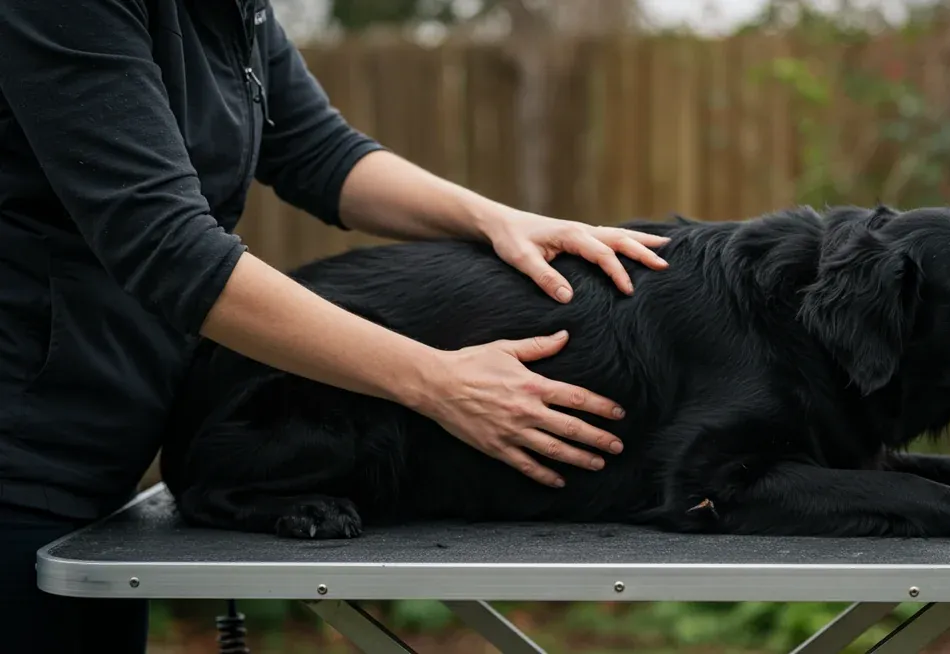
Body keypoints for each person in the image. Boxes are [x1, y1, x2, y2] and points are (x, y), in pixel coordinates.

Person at [0, 1, 670, 652]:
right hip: (23, 448)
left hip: (112, 433)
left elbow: (318, 151)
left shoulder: (234, 9)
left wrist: (495, 219)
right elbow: (168, 248)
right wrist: (436, 381)